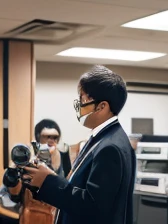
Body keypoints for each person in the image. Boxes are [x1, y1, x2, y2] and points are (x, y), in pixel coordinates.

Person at [22, 65, 136, 224]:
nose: (79, 105)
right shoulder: (103, 138)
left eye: (83, 99)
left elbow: (92, 206)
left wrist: (47, 181)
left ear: (102, 106)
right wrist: (51, 176)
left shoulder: (111, 147)